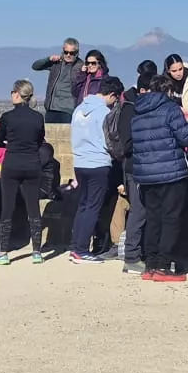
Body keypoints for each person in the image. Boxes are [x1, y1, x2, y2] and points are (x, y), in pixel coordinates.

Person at [126, 69, 188, 281]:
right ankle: (164, 265)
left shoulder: (138, 112)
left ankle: (150, 264)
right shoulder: (170, 109)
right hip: (170, 173)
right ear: (168, 91)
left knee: (153, 219)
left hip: (145, 175)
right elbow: (186, 137)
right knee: (170, 219)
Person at [0, 80, 51, 263]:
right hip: (32, 164)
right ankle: (37, 252)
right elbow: (40, 139)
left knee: (7, 208)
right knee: (33, 209)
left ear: (17, 94)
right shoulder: (38, 117)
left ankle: (3, 253)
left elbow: (0, 141)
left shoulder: (7, 117)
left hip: (12, 163)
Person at [68, 77, 121, 261]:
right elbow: (110, 139)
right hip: (98, 162)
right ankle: (81, 249)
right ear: (112, 95)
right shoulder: (105, 112)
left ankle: (75, 245)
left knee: (83, 205)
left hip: (80, 162)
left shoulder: (78, 109)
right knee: (92, 207)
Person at [31, 40, 83, 123]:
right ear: (63, 51)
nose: (68, 55)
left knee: (66, 135)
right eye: (66, 52)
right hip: (51, 109)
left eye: (71, 53)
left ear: (77, 53)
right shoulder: (56, 63)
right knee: (49, 135)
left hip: (68, 111)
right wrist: (48, 59)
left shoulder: (81, 67)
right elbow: (35, 66)